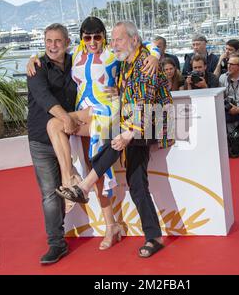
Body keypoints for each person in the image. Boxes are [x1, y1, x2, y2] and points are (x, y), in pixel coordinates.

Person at [27, 17, 160, 253]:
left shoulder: (112, 52)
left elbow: (145, 44)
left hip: (106, 114)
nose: (92, 41)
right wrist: (32, 58)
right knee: (55, 127)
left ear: (103, 37)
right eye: (87, 37)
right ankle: (72, 183)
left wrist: (155, 55)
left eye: (97, 36)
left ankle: (110, 225)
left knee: (101, 169)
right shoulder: (75, 54)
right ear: (80, 39)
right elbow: (53, 52)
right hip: (84, 114)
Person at [58, 21, 175, 258]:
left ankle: (85, 185)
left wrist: (127, 135)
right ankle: (154, 237)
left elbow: (145, 105)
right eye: (112, 40)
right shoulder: (125, 63)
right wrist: (119, 93)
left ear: (133, 40)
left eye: (118, 39)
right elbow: (132, 97)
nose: (113, 44)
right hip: (135, 125)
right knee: (136, 183)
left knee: (115, 143)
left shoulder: (145, 65)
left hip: (153, 124)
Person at [27, 23, 78, 264]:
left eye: (58, 41)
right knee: (50, 194)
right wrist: (66, 117)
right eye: (49, 41)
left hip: (71, 137)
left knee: (79, 183)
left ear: (67, 42)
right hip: (41, 140)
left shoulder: (77, 61)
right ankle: (56, 243)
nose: (53, 46)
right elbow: (44, 98)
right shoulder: (37, 67)